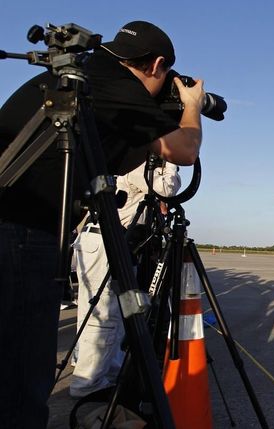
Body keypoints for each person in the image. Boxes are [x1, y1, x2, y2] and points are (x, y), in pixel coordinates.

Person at [0, 20, 204, 428]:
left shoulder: (82, 75)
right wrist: (192, 106)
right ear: (157, 65)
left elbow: (116, 152)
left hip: (16, 222)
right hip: (24, 229)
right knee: (23, 368)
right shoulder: (118, 86)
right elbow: (183, 148)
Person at [70, 161, 180, 398]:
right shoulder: (139, 160)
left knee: (110, 313)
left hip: (111, 239)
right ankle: (87, 383)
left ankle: (101, 372)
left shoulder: (128, 156)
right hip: (107, 239)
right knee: (103, 316)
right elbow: (166, 188)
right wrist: (170, 165)